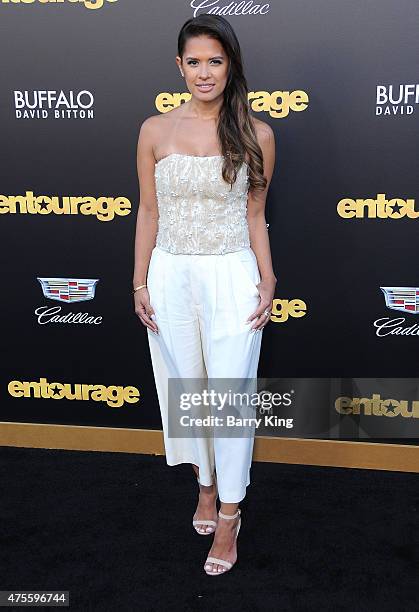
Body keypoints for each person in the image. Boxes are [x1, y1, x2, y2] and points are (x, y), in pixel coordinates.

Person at [133, 14, 276, 576]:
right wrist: (139, 279)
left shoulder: (257, 132)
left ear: (231, 64)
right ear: (179, 67)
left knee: (230, 398)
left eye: (215, 61)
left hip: (230, 274)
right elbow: (148, 210)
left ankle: (232, 514)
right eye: (194, 61)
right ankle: (207, 487)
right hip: (169, 274)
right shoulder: (153, 130)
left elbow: (256, 215)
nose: (204, 72)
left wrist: (268, 280)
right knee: (187, 391)